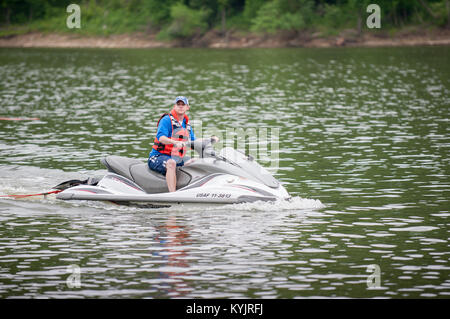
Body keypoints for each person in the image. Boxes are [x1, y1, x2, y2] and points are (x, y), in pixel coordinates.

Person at [148, 96, 218, 192]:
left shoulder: (187, 125)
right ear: (174, 106)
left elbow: (194, 142)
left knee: (195, 161)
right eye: (178, 104)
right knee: (171, 163)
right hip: (158, 156)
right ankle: (173, 195)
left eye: (183, 104)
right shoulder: (166, 120)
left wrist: (209, 139)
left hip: (177, 158)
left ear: (187, 107)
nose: (180, 106)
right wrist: (175, 142)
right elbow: (161, 138)